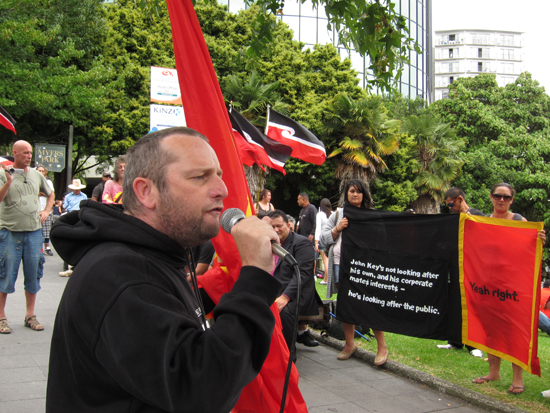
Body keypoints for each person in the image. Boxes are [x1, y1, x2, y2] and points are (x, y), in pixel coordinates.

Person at [46, 126, 282, 412]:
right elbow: (201, 388)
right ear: (147, 191)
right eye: (200, 177)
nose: (223, 189)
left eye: (218, 175)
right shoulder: (120, 275)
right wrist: (254, 278)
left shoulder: (157, 256)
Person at [472, 182, 546, 394]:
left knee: (513, 330)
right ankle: (493, 372)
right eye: (498, 196)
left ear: (512, 200)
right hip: (489, 285)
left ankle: (518, 379)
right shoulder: (484, 221)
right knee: (490, 330)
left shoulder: (518, 220)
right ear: (491, 197)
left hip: (513, 286)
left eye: (506, 197)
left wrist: (539, 240)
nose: (501, 200)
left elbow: (528, 249)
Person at [321, 180, 389, 364]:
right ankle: (349, 344)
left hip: (364, 268)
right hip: (339, 265)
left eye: (359, 191)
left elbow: (382, 239)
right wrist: (337, 229)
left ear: (364, 195)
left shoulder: (372, 215)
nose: (355, 194)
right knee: (345, 305)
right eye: (352, 191)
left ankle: (382, 347)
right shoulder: (337, 215)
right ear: (347, 194)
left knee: (370, 304)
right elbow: (322, 240)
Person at [0, 140, 54, 334]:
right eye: (25, 153)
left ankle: (30, 315)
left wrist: (47, 210)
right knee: (5, 275)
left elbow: (51, 194)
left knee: (33, 275)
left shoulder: (37, 175)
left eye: (30, 153)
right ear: (14, 153)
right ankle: (1, 317)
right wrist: (8, 181)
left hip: (33, 232)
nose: (29, 156)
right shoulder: (3, 173)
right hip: (9, 232)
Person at [438, 187, 484, 357]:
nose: (450, 208)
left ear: (458, 199)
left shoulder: (477, 214)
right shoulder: (452, 219)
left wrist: (475, 223)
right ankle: (455, 341)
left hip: (473, 268)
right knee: (455, 304)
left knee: (471, 305)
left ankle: (474, 346)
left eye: (450, 205)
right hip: (456, 266)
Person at [268, 210, 320, 351]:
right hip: (275, 291)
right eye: (272, 227)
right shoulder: (269, 243)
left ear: (288, 225)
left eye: (279, 226)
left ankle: (288, 355)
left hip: (297, 293)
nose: (276, 230)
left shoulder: (301, 243)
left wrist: (285, 297)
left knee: (283, 312)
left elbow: (302, 274)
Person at [58, 179, 88, 277]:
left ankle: (75, 265)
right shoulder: (68, 197)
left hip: (80, 217)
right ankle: (66, 265)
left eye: (78, 189)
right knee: (68, 239)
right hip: (70, 216)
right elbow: (65, 207)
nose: (77, 191)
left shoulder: (84, 196)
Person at [36, 165, 55, 256]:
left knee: (46, 230)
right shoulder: (33, 181)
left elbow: (50, 194)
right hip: (36, 210)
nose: (40, 172)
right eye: (38, 170)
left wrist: (40, 193)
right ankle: (39, 248)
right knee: (37, 230)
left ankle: (47, 247)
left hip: (45, 209)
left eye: (42, 171)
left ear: (45, 172)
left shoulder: (48, 182)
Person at [315, 198, 332, 285]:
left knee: (325, 260)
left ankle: (327, 279)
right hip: (331, 239)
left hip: (322, 239)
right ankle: (326, 279)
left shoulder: (320, 214)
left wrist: (316, 242)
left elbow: (318, 229)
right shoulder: (333, 214)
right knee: (329, 260)